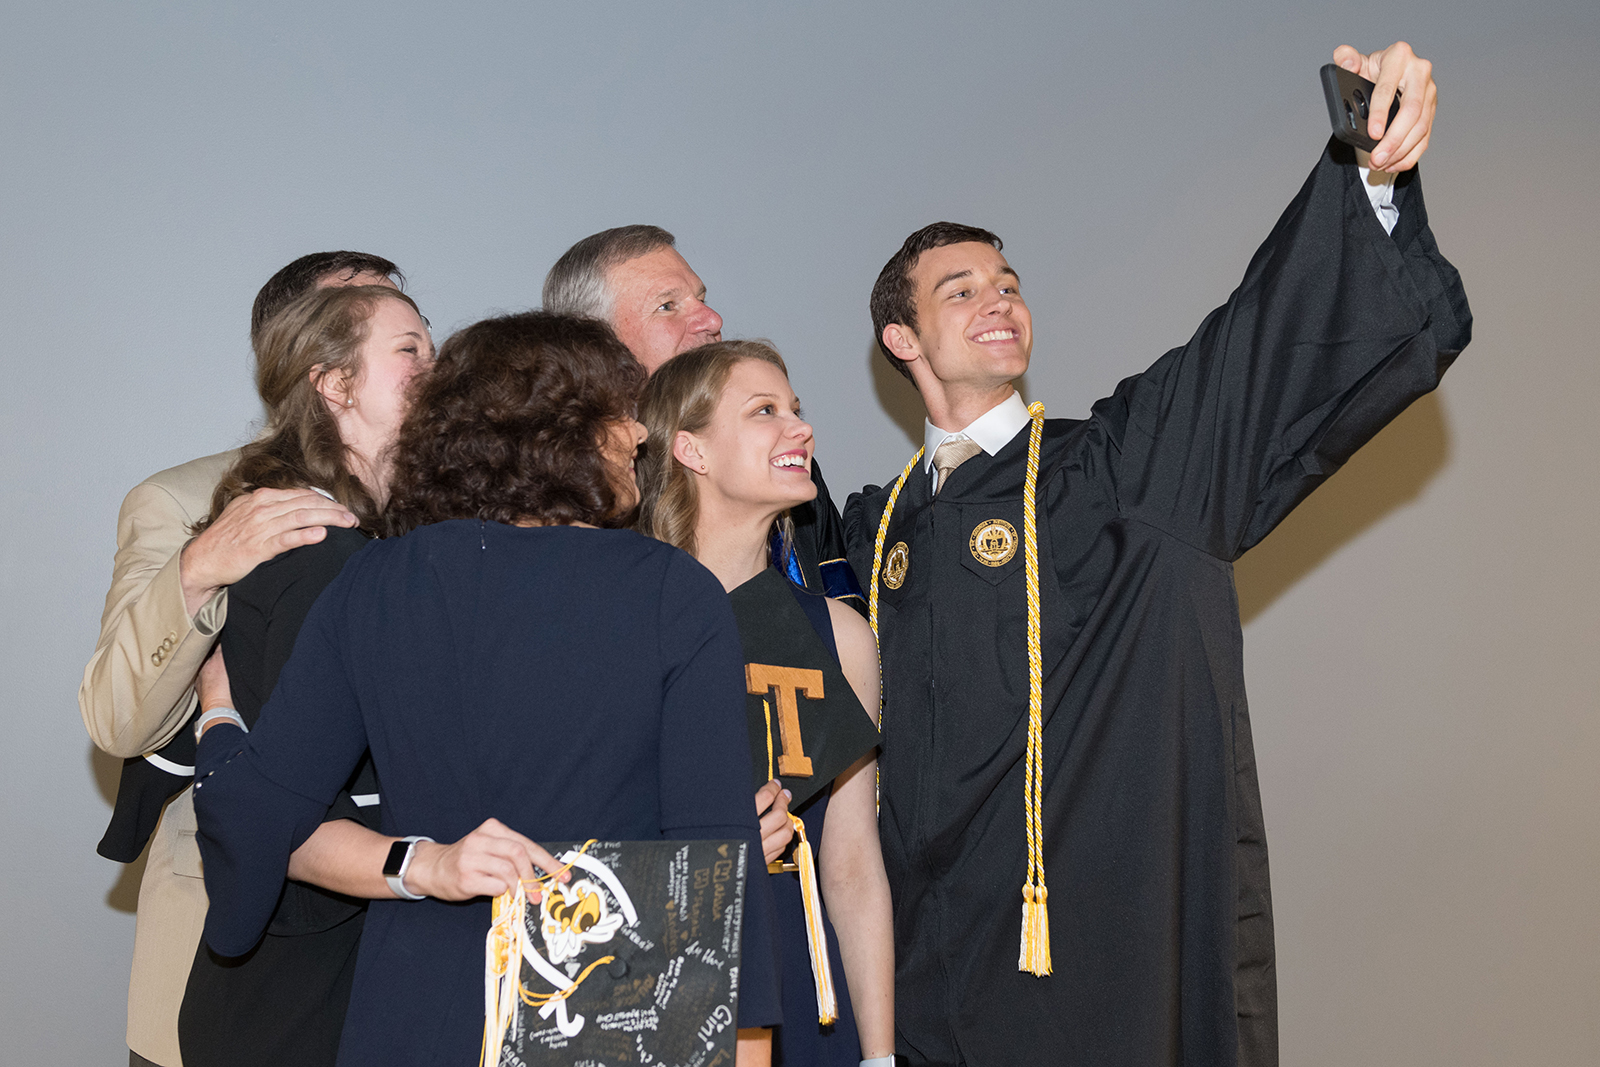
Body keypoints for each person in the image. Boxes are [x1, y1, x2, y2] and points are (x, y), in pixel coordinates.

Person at [842, 42, 1468, 1067]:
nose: (1000, 300)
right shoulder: (872, 535)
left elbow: (1252, 345)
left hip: (1081, 978)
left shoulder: (1117, 471)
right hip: (916, 984)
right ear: (901, 339)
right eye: (960, 291)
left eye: (1008, 282)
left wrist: (1371, 173)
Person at [189, 312, 782, 1067]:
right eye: (619, 412)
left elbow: (265, 818)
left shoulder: (376, 583)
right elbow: (715, 874)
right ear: (559, 429)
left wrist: (219, 719)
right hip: (603, 1011)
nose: (638, 434)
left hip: (414, 1012)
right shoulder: (673, 591)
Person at [80, 250, 403, 1067]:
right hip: (237, 959)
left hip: (400, 951)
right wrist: (197, 572)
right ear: (308, 357)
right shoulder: (183, 499)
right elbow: (116, 719)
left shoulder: (446, 504)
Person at [173, 284, 432, 1066]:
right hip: (296, 996)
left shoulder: (369, 543)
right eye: (410, 349)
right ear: (335, 384)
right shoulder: (321, 551)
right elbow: (287, 814)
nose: (436, 366)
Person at [637, 340, 894, 1067]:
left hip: (808, 984)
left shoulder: (839, 635)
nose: (800, 428)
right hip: (660, 983)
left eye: (796, 409)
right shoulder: (621, 623)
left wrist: (879, 1056)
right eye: (764, 411)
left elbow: (852, 862)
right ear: (690, 448)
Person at [543, 225, 861, 605]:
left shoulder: (782, 467)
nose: (712, 319)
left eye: (702, 298)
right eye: (667, 306)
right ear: (595, 347)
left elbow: (841, 612)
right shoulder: (564, 496)